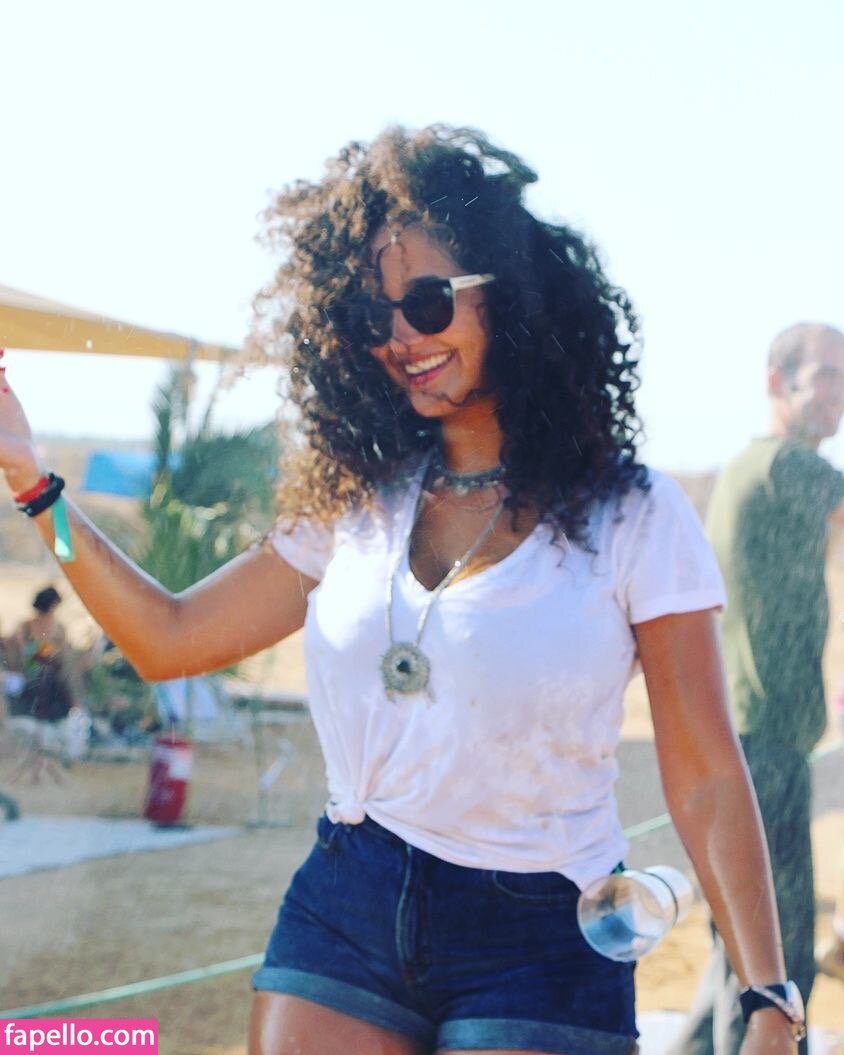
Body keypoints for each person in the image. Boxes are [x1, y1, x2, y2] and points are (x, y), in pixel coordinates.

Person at [0, 127, 803, 1055]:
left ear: (510, 292)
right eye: (370, 316)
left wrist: (766, 993)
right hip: (351, 898)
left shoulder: (633, 513)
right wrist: (33, 483)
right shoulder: (351, 503)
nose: (401, 339)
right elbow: (167, 637)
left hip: (542, 928)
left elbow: (705, 771)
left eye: (428, 302)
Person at [666, 322, 844, 1055]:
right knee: (779, 968)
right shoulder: (787, 466)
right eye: (825, 375)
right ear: (777, 382)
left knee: (737, 956)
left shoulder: (748, 467)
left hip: (739, 739)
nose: (838, 395)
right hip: (761, 748)